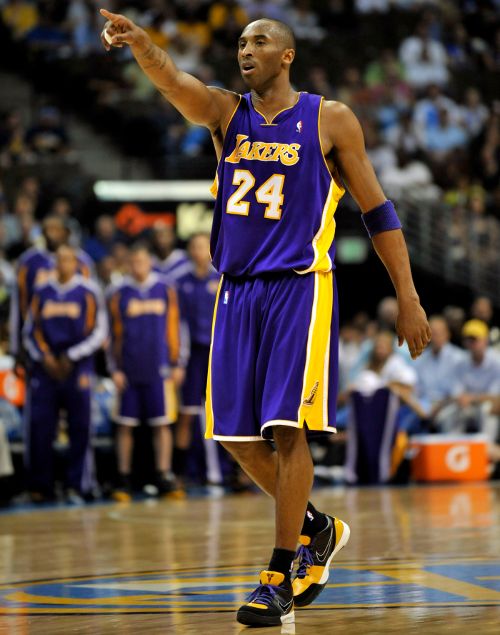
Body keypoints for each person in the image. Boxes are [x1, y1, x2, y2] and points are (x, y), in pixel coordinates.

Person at [100, 10, 431, 627]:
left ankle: (278, 574)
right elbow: (174, 82)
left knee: (286, 428)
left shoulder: (330, 119)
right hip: (236, 290)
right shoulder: (228, 114)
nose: (245, 50)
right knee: (232, 434)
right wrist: (143, 44)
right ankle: (317, 528)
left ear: (287, 55)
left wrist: (408, 297)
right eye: (241, 42)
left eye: (259, 41)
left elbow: (378, 213)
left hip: (300, 288)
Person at [22, 245, 107, 503]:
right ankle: (41, 486)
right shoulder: (42, 291)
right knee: (40, 426)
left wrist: (72, 355)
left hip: (78, 366)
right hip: (46, 368)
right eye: (59, 260)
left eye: (68, 259)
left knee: (80, 427)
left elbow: (99, 332)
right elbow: (30, 331)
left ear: (76, 263)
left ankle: (77, 484)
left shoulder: (88, 291)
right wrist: (45, 356)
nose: (63, 264)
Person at [106, 244, 185, 501]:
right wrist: (113, 369)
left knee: (162, 425)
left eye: (142, 260)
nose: (138, 265)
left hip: (159, 368)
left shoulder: (166, 289)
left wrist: (178, 362)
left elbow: (177, 327)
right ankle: (123, 477)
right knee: (125, 426)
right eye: (134, 261)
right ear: (129, 263)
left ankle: (164, 474)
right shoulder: (118, 293)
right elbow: (110, 334)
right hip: (127, 370)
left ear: (149, 262)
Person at [9, 215, 94, 362]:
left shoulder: (82, 261)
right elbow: (19, 304)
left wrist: (86, 345)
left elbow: (92, 305)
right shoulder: (28, 261)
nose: (52, 234)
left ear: (66, 232)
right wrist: (17, 344)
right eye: (48, 229)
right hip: (40, 334)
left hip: (75, 335)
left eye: (56, 229)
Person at [175, 233, 221, 486]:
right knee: (187, 413)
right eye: (193, 246)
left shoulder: (222, 277)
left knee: (226, 412)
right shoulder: (180, 282)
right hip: (191, 355)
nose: (198, 251)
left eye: (202, 246)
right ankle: (180, 473)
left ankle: (235, 472)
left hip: (217, 354)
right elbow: (176, 323)